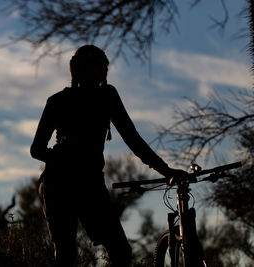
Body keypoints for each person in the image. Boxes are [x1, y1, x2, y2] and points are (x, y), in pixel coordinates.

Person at [30, 45, 186, 266]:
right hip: (58, 185)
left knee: (121, 250)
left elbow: (133, 139)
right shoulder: (57, 101)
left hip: (91, 184)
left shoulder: (108, 96)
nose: (96, 71)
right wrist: (64, 159)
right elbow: (36, 149)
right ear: (77, 69)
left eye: (100, 66)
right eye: (90, 65)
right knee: (65, 253)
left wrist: (166, 170)